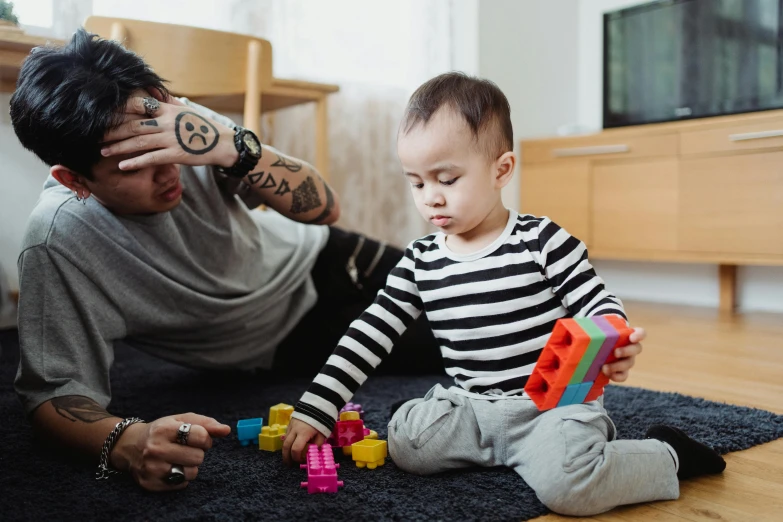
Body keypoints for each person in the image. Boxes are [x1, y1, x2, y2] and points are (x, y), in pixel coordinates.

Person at [9, 28, 442, 492]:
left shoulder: (184, 126)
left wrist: (235, 147)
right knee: (465, 345)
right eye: (136, 163)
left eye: (163, 144)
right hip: (285, 340)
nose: (168, 167)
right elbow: (55, 396)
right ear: (74, 179)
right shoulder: (57, 240)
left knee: (494, 291)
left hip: (330, 257)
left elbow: (324, 208)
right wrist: (128, 442)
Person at [282, 72, 726, 516]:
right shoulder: (419, 259)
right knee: (408, 446)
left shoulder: (542, 240)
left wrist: (614, 339)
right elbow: (370, 332)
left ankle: (666, 453)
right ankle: (487, 440)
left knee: (568, 487)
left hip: (553, 407)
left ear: (501, 170)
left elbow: (597, 302)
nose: (430, 198)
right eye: (417, 183)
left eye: (447, 179)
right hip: (475, 407)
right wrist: (320, 406)